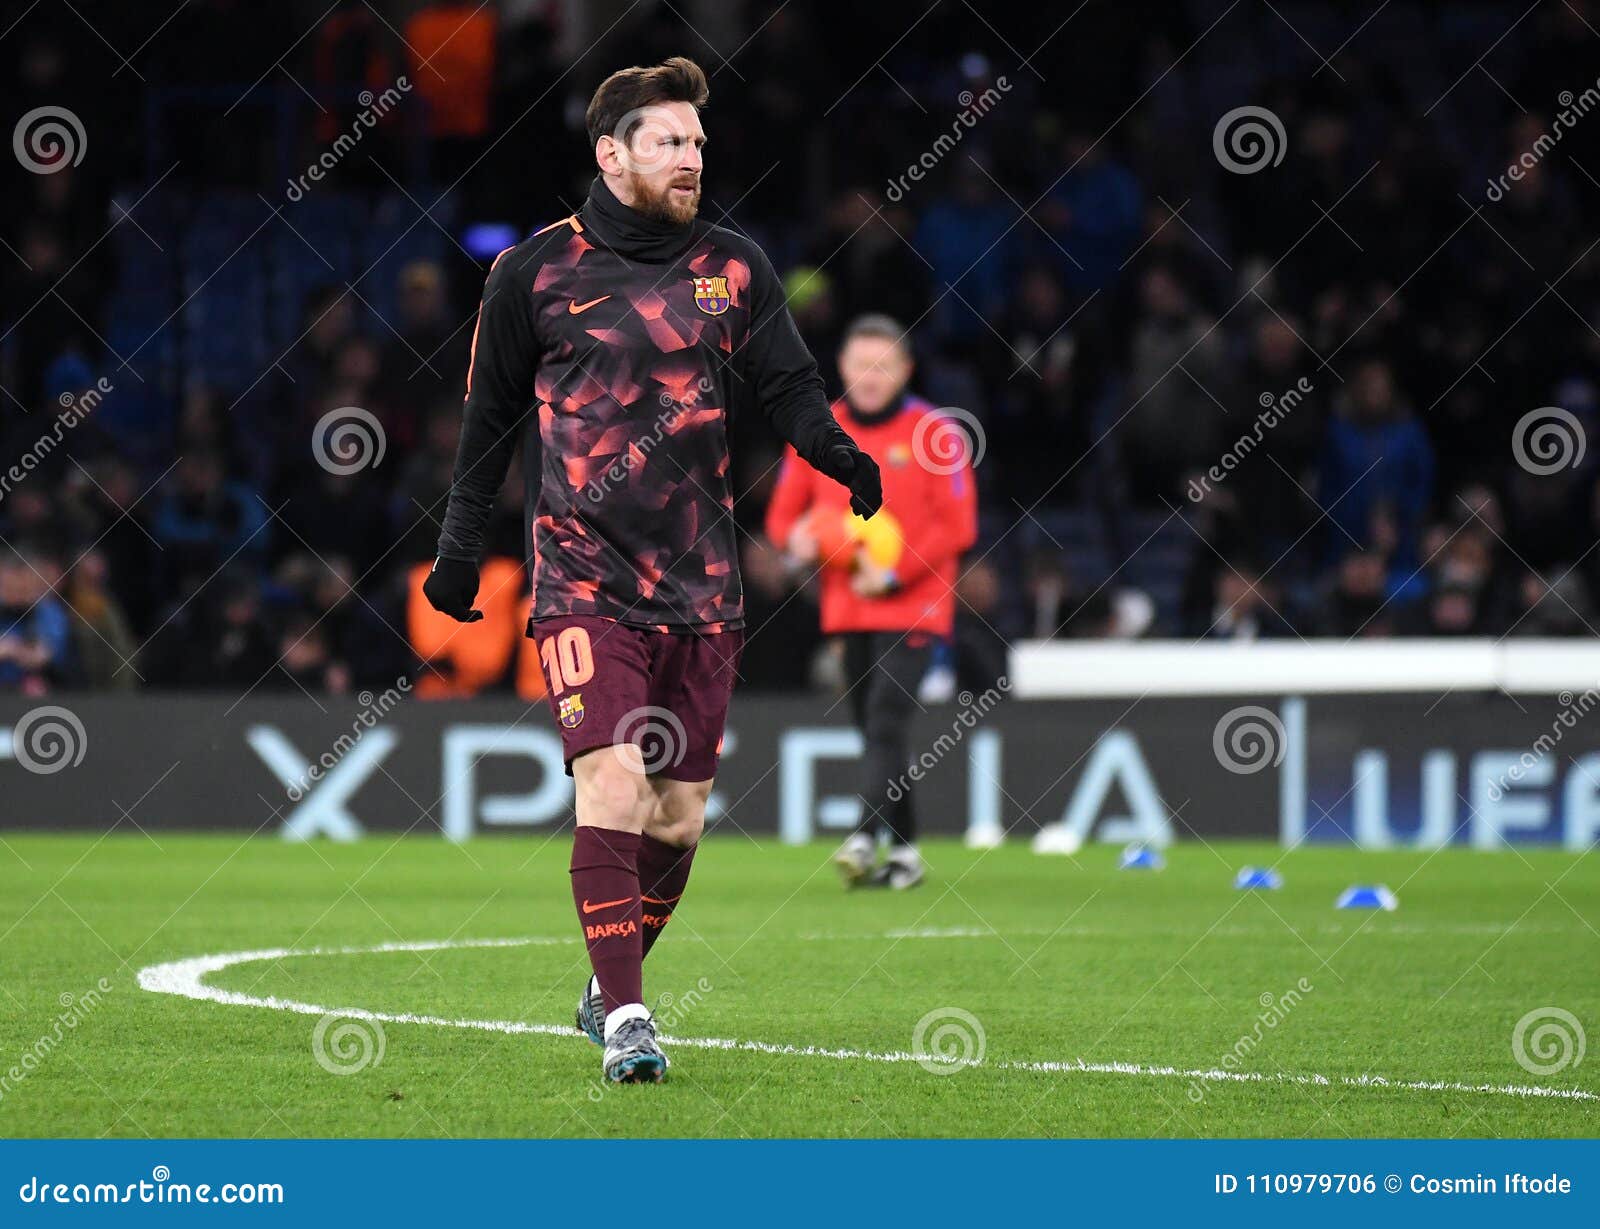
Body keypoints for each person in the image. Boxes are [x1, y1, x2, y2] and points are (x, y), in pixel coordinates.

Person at [421, 58, 882, 1084]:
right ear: (611, 154)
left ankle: (600, 985)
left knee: (676, 817)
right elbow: (488, 423)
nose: (692, 160)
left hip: (701, 586)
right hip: (581, 574)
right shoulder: (531, 273)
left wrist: (838, 451)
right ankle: (629, 1015)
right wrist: (460, 548)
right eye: (670, 142)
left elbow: (791, 385)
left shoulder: (735, 266)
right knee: (613, 780)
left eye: (699, 144)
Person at [765, 315, 977, 889]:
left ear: (906, 370)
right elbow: (783, 516)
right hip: (848, 606)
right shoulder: (818, 430)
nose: (871, 376)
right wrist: (796, 541)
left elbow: (956, 527)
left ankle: (863, 835)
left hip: (917, 603)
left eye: (884, 365)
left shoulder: (936, 432)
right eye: (861, 363)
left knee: (885, 716)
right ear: (841, 367)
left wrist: (892, 573)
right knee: (876, 729)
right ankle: (905, 853)